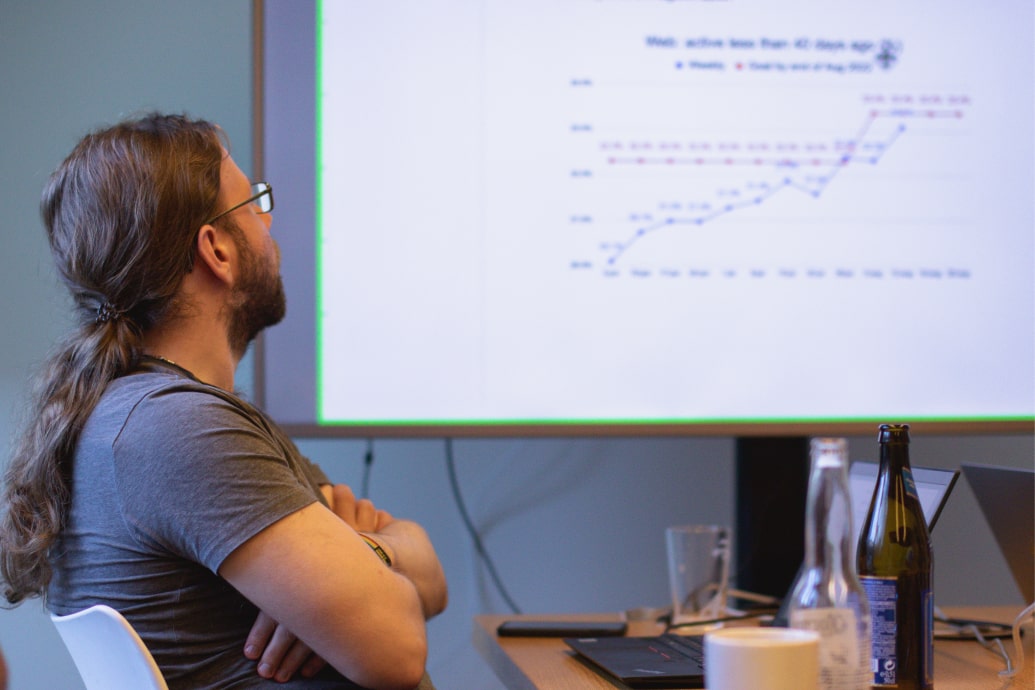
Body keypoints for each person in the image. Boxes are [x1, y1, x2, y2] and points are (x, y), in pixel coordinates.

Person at [0, 113, 447, 689]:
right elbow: (400, 650)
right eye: (255, 203)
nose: (269, 222)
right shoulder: (178, 430)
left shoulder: (164, 414)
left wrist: (364, 558)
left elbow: (432, 579)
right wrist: (358, 576)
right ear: (216, 249)